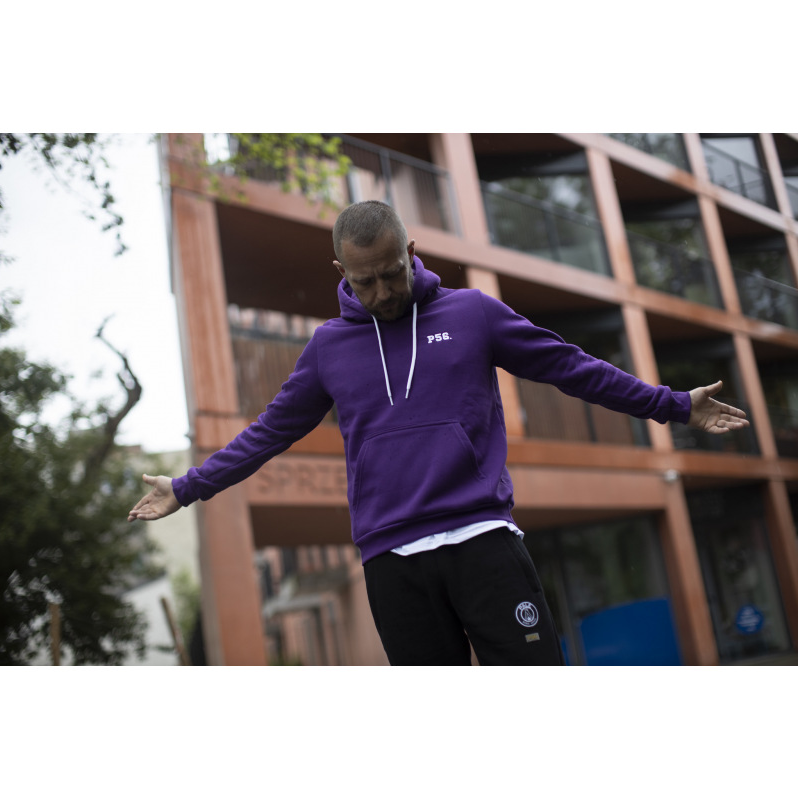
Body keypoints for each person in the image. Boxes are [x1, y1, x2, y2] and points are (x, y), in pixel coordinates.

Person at [128, 200, 750, 666]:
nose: (383, 292)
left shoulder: (472, 313)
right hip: (393, 561)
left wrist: (672, 405)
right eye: (365, 280)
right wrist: (187, 486)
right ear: (340, 270)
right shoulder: (328, 349)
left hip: (483, 539)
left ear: (410, 250)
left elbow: (570, 367)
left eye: (392, 272)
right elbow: (269, 432)